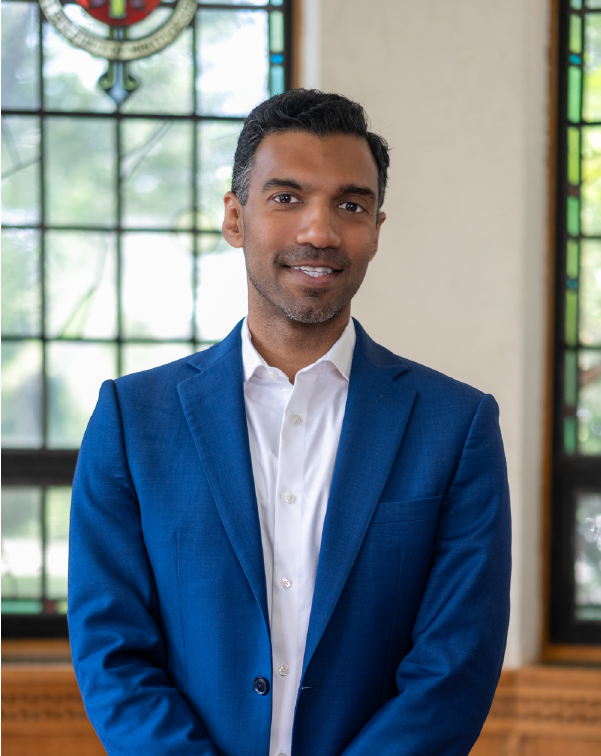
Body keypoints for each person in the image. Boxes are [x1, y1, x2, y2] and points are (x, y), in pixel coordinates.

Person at [68, 89, 511, 756]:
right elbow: (112, 652)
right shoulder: (133, 422)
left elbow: (455, 665)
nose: (319, 232)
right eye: (286, 198)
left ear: (376, 231)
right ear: (234, 217)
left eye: (350, 205)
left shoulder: (456, 426)